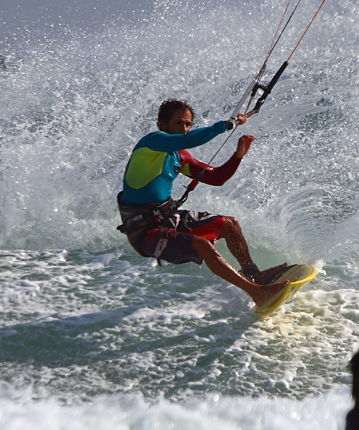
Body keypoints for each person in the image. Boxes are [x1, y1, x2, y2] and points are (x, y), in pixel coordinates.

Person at [117, 99, 288, 307]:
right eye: (179, 123)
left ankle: (255, 276)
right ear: (163, 123)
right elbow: (188, 140)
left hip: (168, 218)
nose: (185, 129)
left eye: (188, 124)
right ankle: (257, 293)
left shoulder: (180, 157)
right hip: (144, 232)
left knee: (230, 224)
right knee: (202, 245)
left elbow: (216, 178)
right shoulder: (150, 144)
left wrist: (238, 156)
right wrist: (224, 126)